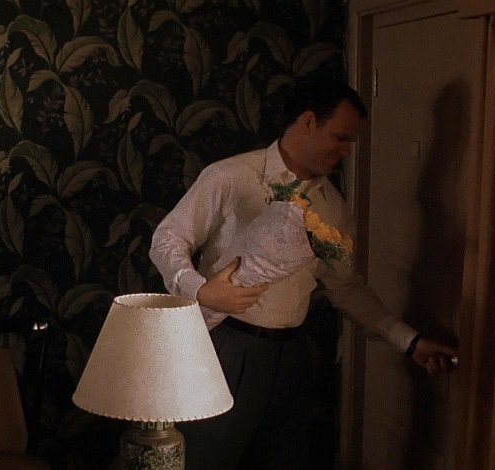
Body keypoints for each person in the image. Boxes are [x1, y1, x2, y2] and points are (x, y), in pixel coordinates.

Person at [148, 78, 457, 470]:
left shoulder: (333, 206)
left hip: (292, 358)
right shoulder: (230, 176)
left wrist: (410, 342)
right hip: (224, 347)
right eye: (340, 138)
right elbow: (167, 239)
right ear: (308, 121)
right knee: (203, 461)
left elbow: (346, 289)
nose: (346, 151)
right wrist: (200, 290)